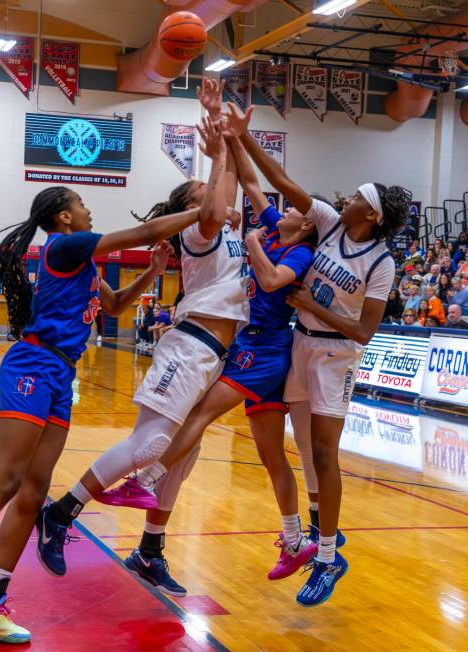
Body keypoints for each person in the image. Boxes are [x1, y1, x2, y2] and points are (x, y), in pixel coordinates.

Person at [0, 186, 207, 644]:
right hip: (34, 364)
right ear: (64, 217)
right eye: (81, 204)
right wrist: (206, 213)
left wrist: (153, 274)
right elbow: (144, 230)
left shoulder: (83, 261)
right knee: (5, 479)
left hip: (61, 374)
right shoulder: (65, 245)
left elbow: (114, 307)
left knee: (35, 489)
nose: (88, 209)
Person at [191, 103, 408, 607]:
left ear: (371, 215)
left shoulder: (382, 262)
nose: (345, 198)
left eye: (357, 197)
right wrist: (244, 138)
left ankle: (328, 557)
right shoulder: (328, 223)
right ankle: (312, 531)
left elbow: (365, 331)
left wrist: (311, 302)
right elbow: (280, 179)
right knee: (304, 452)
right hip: (299, 345)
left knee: (327, 455)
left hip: (336, 358)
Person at [36, 82, 250, 587]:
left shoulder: (230, 227)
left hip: (218, 352)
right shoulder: (201, 229)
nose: (214, 193)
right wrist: (216, 155)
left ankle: (151, 550)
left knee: (185, 454)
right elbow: (215, 205)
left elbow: (231, 186)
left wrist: (229, 132)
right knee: (151, 444)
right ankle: (63, 511)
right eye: (203, 191)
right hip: (192, 344)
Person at [98, 122, 320, 591]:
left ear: (304, 230)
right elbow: (257, 183)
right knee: (270, 456)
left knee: (198, 417)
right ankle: (294, 537)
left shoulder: (293, 252)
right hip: (252, 347)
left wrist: (256, 242)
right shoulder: (270, 224)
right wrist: (233, 140)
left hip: (262, 348)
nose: (283, 212)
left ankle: (150, 478)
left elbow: (274, 279)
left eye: (298, 214)